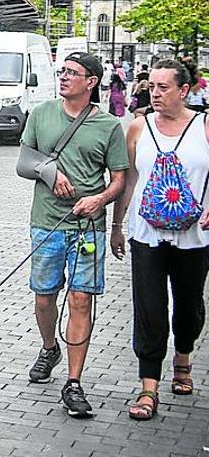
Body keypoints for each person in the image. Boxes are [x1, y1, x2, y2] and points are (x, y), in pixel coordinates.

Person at [20, 52, 127, 418]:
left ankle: (74, 382)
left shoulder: (109, 126)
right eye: (62, 71)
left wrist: (99, 200)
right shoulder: (42, 113)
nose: (63, 77)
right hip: (46, 223)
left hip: (87, 227)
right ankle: (50, 347)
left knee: (81, 300)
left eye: (72, 73)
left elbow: (119, 179)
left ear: (92, 82)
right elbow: (24, 162)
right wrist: (50, 173)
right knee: (45, 298)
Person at [113, 60, 209, 421]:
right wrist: (118, 225)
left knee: (188, 305)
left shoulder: (204, 126)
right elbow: (129, 180)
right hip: (147, 234)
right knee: (149, 308)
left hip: (195, 235)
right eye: (151, 86)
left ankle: (183, 356)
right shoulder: (139, 127)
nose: (154, 93)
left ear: (183, 91)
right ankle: (148, 385)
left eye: (163, 87)